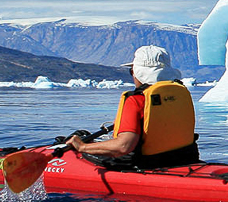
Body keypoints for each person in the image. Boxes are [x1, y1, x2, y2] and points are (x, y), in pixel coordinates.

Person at [66, 45, 199, 167]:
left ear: (137, 73)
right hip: (185, 158)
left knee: (81, 155)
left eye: (132, 71)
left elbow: (124, 147)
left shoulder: (136, 99)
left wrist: (82, 146)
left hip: (148, 163)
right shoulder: (178, 94)